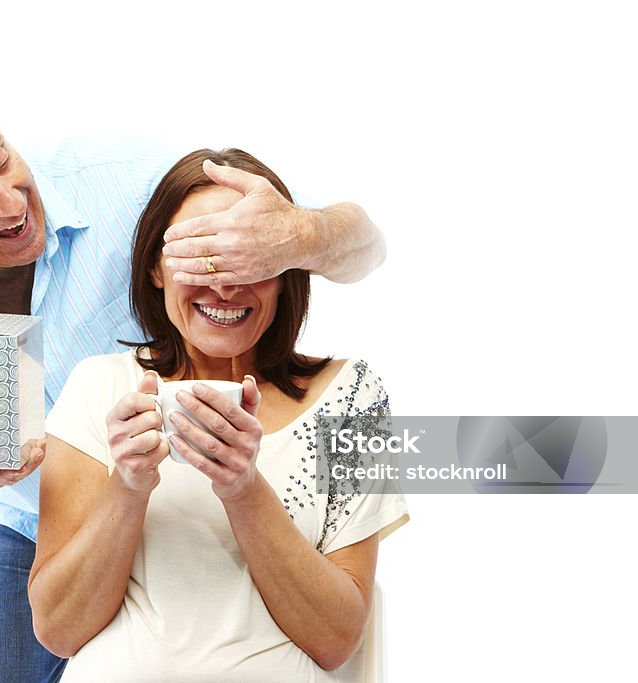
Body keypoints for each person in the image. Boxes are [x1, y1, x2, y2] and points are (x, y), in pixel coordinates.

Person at [0, 69, 388, 682]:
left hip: (197, 493)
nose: (12, 200)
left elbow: (364, 247)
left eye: (0, 158)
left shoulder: (129, 184)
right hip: (33, 531)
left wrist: (299, 232)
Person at [29, 149, 409, 682]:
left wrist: (243, 488)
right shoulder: (100, 387)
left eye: (249, 258)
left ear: (284, 270)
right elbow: (58, 630)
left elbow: (338, 639)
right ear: (156, 268)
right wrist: (130, 484)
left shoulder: (352, 398)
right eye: (200, 256)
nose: (226, 286)